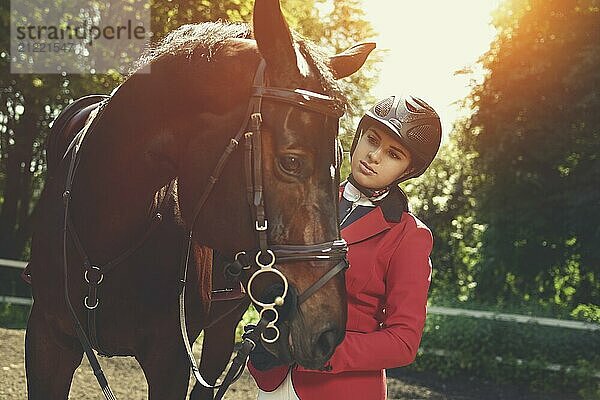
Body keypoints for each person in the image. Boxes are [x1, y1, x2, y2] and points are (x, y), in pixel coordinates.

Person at [247, 94, 442, 400]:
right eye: (372, 139)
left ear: (408, 170)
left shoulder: (409, 236)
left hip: (341, 389)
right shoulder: (304, 200)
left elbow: (403, 341)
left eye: (392, 154)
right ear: (358, 137)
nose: (374, 155)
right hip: (275, 380)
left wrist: (321, 352)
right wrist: (265, 336)